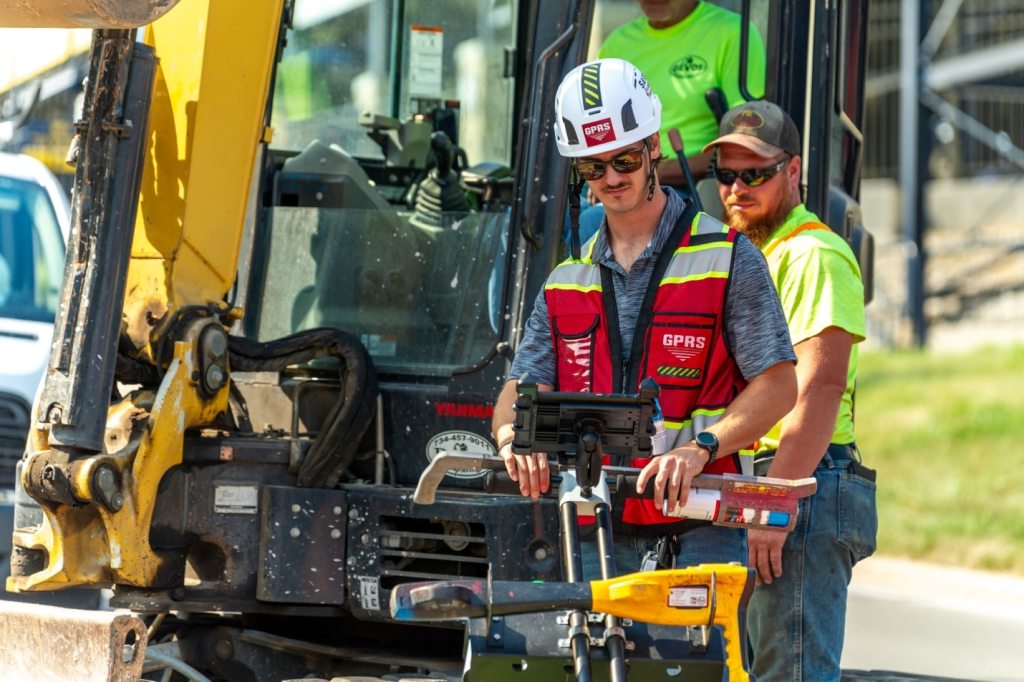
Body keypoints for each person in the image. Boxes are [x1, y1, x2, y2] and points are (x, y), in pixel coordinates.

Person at [491, 58, 797, 575]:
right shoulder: (568, 281)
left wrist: (701, 449)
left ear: (652, 146)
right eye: (594, 166)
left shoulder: (728, 256)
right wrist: (511, 440)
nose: (611, 177)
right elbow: (517, 392)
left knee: (694, 659)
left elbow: (779, 386)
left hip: (700, 527)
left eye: (625, 160)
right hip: (595, 530)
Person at [702, 99, 878, 681]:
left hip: (802, 480)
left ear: (793, 171)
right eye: (726, 174)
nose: (737, 188)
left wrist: (773, 502)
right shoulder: (755, 253)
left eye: (756, 173)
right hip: (772, 482)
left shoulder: (814, 253)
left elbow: (820, 388)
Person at [566, 0, 766, 246]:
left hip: (692, 189)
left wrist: (643, 171)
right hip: (619, 174)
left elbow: (746, 146)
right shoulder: (616, 45)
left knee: (591, 222)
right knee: (553, 213)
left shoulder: (735, 34)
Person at [599, 0, 766, 188]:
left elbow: (746, 142)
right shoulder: (616, 45)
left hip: (696, 188)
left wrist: (650, 172)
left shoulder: (734, 33)